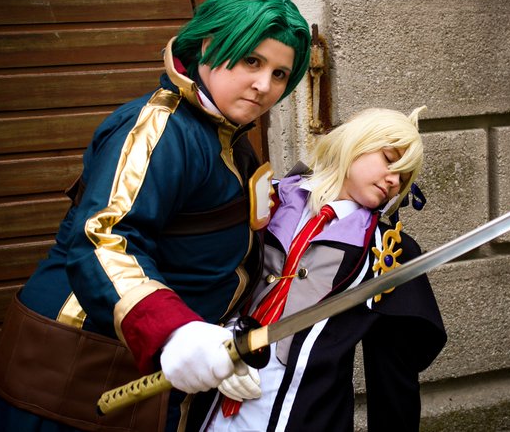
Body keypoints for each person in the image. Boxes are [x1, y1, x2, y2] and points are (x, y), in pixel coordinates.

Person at [0, 0, 311, 432]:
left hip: (150, 370)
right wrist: (174, 331)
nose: (264, 85)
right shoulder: (160, 128)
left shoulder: (227, 136)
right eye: (252, 61)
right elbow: (104, 238)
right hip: (75, 369)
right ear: (208, 46)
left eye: (279, 73)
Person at [186, 107, 447, 431]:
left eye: (404, 178)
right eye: (389, 160)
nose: (394, 181)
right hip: (214, 392)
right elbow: (201, 274)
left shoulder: (387, 252)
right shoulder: (266, 196)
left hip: (308, 412)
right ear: (355, 142)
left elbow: (393, 375)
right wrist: (211, 340)